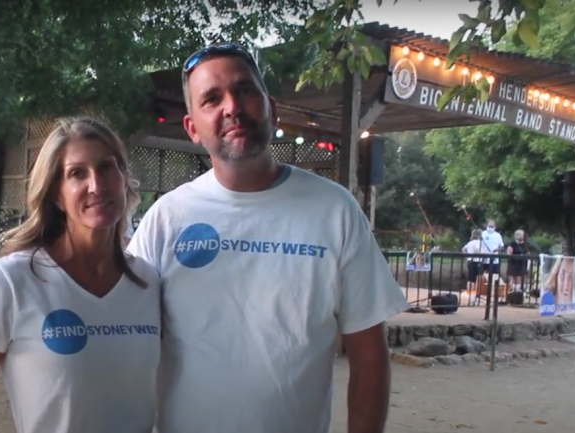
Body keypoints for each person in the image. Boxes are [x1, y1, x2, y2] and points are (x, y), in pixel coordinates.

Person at [127, 43, 409, 433]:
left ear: (271, 107)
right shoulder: (165, 219)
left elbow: (369, 354)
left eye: (244, 90)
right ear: (192, 128)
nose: (232, 107)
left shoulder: (334, 210)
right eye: (211, 99)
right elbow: (122, 335)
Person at [0, 116, 162, 433]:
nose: (97, 185)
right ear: (56, 194)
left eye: (107, 167)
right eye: (77, 174)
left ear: (124, 178)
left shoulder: (149, 281)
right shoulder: (12, 280)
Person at [462, 229, 484, 305]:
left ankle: (469, 294)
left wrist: (467, 256)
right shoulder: (478, 242)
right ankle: (473, 296)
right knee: (476, 279)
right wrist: (481, 254)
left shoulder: (470, 242)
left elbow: (463, 249)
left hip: (470, 261)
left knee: (470, 279)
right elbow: (477, 250)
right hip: (476, 261)